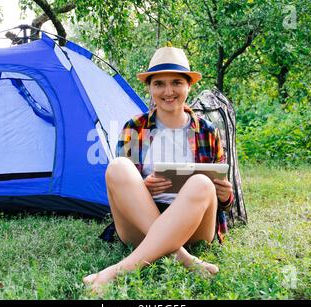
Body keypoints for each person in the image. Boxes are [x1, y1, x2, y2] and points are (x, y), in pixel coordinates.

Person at [83, 46, 234, 292]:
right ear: (150, 89)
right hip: (141, 221)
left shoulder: (207, 131)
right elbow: (124, 187)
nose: (168, 91)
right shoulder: (135, 127)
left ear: (188, 86)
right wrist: (144, 187)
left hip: (193, 225)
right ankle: (184, 258)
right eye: (159, 84)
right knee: (119, 166)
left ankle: (118, 270)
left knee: (202, 183)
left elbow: (224, 201)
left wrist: (225, 196)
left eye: (176, 83)